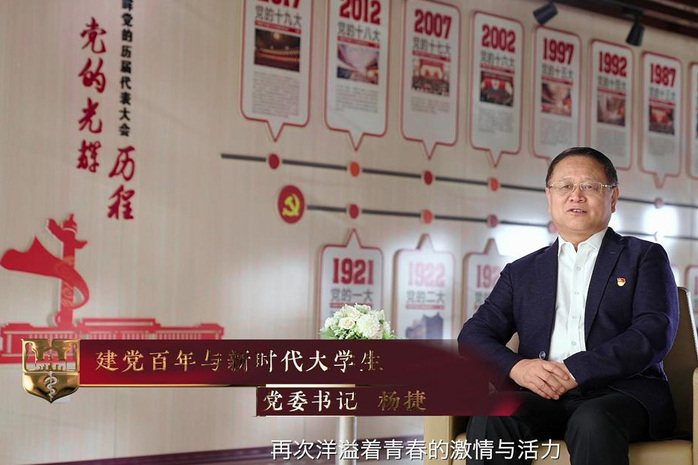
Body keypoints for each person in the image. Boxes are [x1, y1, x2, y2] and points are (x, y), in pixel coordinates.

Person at [459, 147, 679, 465]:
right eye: (564, 186)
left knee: (592, 421)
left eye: (589, 186)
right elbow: (473, 336)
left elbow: (653, 333)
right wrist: (518, 368)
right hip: (541, 396)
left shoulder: (643, 257)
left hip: (620, 395)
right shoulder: (522, 271)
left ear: (613, 197)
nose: (576, 196)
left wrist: (579, 370)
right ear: (549, 197)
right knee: (495, 414)